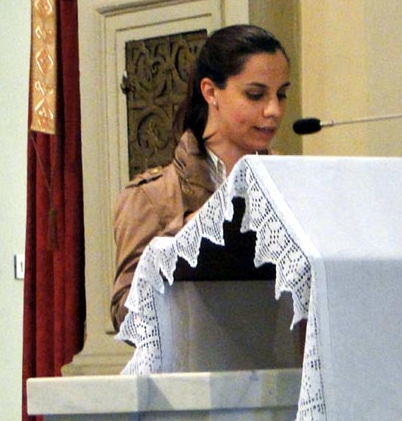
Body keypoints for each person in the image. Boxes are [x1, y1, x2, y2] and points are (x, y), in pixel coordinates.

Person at [110, 24, 291, 330]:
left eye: (281, 94)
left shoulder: (290, 182)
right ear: (210, 92)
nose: (273, 110)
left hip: (284, 357)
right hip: (196, 359)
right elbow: (125, 316)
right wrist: (187, 233)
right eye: (256, 95)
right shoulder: (150, 196)